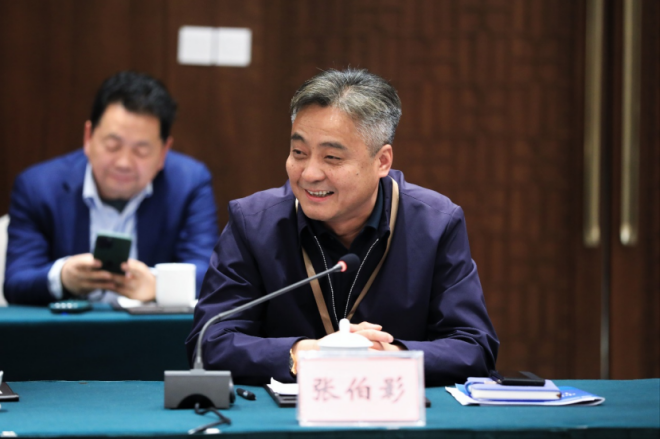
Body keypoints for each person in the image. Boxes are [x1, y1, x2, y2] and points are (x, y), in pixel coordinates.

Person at [187, 69, 498, 386]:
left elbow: (474, 347)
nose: (309, 174)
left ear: (382, 161)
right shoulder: (253, 223)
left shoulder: (435, 224)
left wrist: (388, 357)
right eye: (299, 153)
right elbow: (209, 341)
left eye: (332, 157)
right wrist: (305, 353)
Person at [4, 71, 219, 305]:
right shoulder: (38, 187)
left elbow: (210, 274)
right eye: (112, 145)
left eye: (141, 151)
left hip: (151, 327)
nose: (124, 163)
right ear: (88, 137)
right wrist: (63, 277)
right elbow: (16, 280)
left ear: (163, 152)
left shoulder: (189, 183)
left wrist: (157, 285)